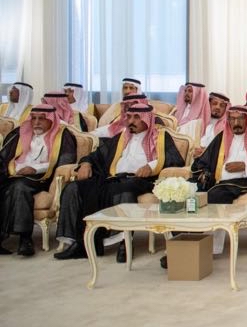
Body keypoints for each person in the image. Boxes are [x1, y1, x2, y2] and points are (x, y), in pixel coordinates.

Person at [53, 104, 185, 261]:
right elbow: (97, 155)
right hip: (113, 179)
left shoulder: (161, 137)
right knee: (74, 188)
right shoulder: (120, 138)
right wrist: (86, 163)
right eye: (128, 117)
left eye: (136, 117)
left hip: (140, 180)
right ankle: (79, 243)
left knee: (125, 190)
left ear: (147, 119)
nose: (131, 121)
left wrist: (150, 166)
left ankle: (124, 242)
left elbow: (175, 159)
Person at [179, 105, 247, 265]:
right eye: (232, 119)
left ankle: (205, 248)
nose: (235, 123)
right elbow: (205, 160)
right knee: (186, 192)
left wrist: (245, 166)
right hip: (217, 181)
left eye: (239, 119)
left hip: (244, 182)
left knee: (215, 196)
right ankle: (180, 241)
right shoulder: (222, 136)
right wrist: (204, 171)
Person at [0, 106, 78, 256]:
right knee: (9, 186)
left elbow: (65, 162)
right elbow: (4, 156)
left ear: (51, 119)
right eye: (33, 118)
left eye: (41, 118)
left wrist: (35, 169)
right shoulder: (20, 133)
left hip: (42, 177)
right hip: (14, 174)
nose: (36, 122)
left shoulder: (63, 135)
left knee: (19, 187)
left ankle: (25, 239)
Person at [195, 92, 231, 157]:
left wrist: (206, 152)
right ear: (209, 105)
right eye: (214, 103)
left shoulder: (226, 128)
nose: (218, 107)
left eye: (222, 105)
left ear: (226, 109)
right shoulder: (198, 123)